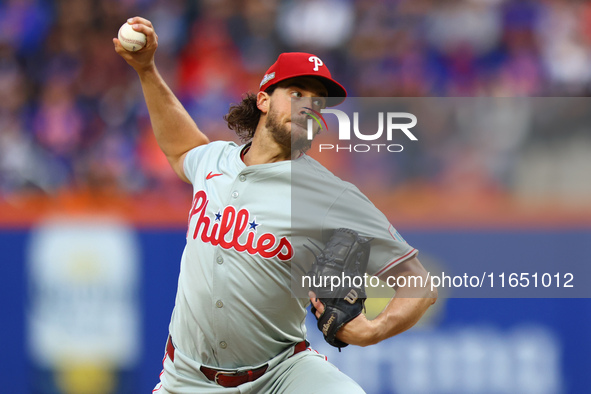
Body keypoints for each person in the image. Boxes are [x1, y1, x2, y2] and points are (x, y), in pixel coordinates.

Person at [114, 17, 437, 394]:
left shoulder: (331, 194)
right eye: (297, 93)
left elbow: (420, 283)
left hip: (281, 375)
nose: (309, 107)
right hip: (186, 380)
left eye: (319, 102)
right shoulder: (214, 161)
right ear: (263, 99)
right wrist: (147, 69)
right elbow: (182, 147)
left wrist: (373, 330)